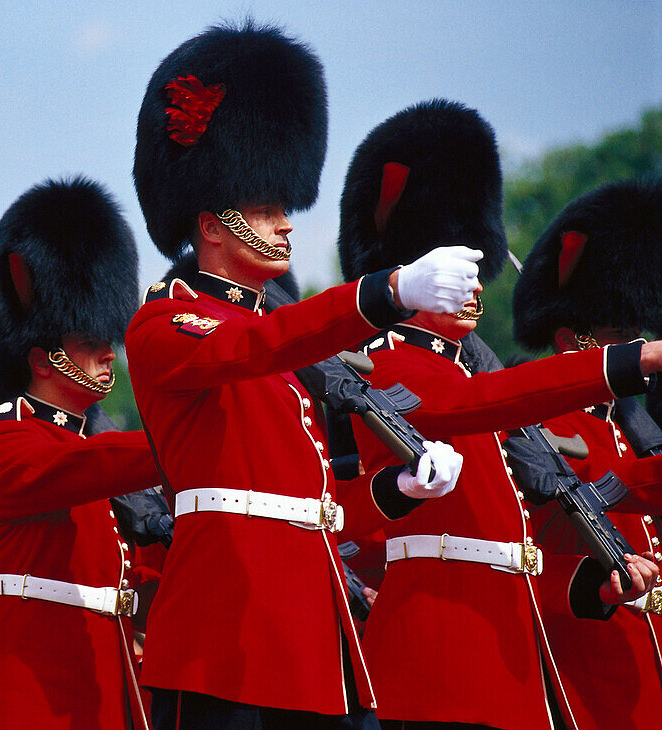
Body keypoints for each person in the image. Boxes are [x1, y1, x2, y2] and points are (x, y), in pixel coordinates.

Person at [127, 22, 473, 729]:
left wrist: (396, 490)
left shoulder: (283, 363)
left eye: (284, 207)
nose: (285, 225)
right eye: (264, 208)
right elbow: (259, 344)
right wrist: (388, 291)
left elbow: (314, 510)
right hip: (226, 632)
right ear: (213, 224)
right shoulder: (169, 326)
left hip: (309, 641)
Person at [337, 100, 660, 730]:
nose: (477, 286)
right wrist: (632, 359)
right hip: (436, 669)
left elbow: (514, 552)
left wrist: (596, 584)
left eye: (479, 269)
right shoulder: (394, 369)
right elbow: (475, 407)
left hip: (508, 676)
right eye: (457, 270)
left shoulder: (475, 380)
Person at [0, 177, 163, 729]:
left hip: (103, 701)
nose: (106, 350)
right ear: (43, 357)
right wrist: (181, 438)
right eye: (87, 339)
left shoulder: (93, 461)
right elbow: (80, 469)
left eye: (106, 337)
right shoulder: (4, 446)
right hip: (27, 705)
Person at [508, 177, 662, 730]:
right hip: (581, 669)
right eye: (623, 333)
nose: (642, 348)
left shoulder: (633, 429)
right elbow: (520, 557)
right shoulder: (536, 425)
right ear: (573, 340)